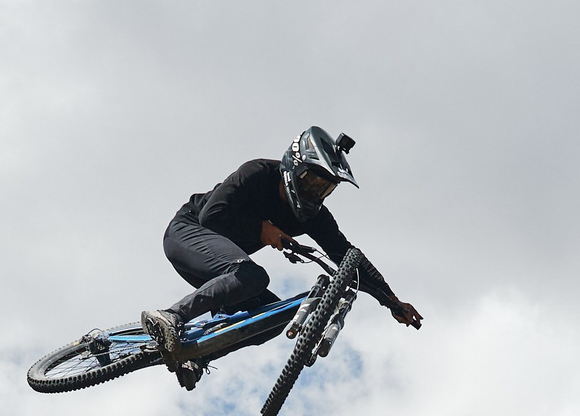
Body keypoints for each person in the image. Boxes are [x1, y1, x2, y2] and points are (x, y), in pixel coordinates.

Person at [141, 127, 421, 364]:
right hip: (187, 234)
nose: (314, 193)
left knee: (270, 319)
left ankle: (194, 357)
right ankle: (171, 317)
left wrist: (390, 300)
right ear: (293, 166)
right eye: (310, 182)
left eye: (324, 189)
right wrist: (261, 229)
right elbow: (211, 217)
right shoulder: (258, 173)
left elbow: (347, 257)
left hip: (223, 273)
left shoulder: (313, 216)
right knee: (252, 276)